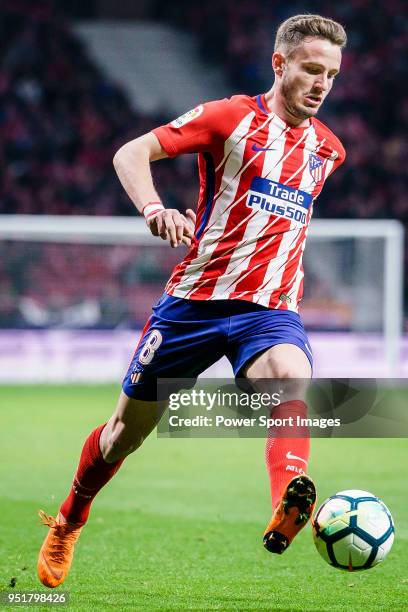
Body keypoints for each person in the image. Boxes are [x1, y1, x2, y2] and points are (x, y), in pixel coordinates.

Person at [37, 13, 347, 588]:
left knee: (289, 376)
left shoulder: (329, 151)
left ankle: (289, 502)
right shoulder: (229, 118)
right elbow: (130, 154)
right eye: (310, 69)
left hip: (269, 309)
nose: (322, 83)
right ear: (280, 65)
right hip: (194, 304)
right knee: (121, 436)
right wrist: (156, 210)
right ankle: (70, 517)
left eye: (331, 73)